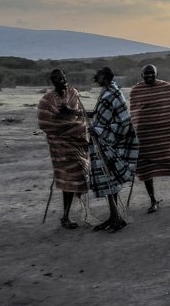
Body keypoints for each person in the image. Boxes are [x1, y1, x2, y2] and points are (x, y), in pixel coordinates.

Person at [129, 64, 170, 213]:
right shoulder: (136, 91)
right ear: (142, 75)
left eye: (152, 73)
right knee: (145, 168)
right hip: (145, 136)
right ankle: (153, 201)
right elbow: (135, 114)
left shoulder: (167, 87)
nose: (149, 76)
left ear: (157, 74)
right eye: (146, 74)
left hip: (165, 136)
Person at [37, 68, 90, 229]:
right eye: (58, 79)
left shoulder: (74, 93)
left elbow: (80, 114)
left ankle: (83, 211)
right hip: (60, 145)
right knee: (68, 179)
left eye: (63, 77)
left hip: (77, 142)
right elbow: (45, 124)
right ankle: (65, 216)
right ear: (53, 81)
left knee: (81, 175)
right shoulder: (46, 100)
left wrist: (71, 117)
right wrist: (65, 123)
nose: (62, 80)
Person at [88, 66, 139, 232]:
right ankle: (113, 216)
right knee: (107, 180)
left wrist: (100, 130)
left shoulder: (114, 93)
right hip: (100, 142)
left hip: (110, 143)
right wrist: (76, 113)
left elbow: (125, 122)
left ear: (106, 77)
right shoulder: (106, 92)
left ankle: (117, 219)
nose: (97, 78)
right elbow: (99, 115)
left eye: (99, 76)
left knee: (110, 180)